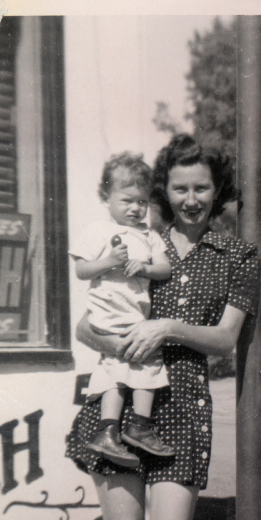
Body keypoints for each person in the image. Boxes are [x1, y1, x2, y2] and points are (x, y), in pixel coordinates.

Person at [65, 134, 260, 520]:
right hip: (119, 399)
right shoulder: (135, 238)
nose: (190, 200)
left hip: (182, 406)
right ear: (163, 192)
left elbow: (225, 338)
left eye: (201, 188)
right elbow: (86, 324)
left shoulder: (236, 256)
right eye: (179, 189)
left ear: (218, 191)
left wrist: (167, 328)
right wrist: (111, 343)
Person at [69, 153, 174, 467]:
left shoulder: (149, 235)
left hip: (134, 316)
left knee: (119, 366)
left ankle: (110, 431)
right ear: (106, 197)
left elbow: (165, 269)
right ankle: (137, 427)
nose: (135, 209)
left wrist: (143, 267)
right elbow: (82, 270)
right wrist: (111, 262)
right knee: (143, 360)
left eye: (142, 202)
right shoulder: (98, 231)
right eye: (127, 200)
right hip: (108, 313)